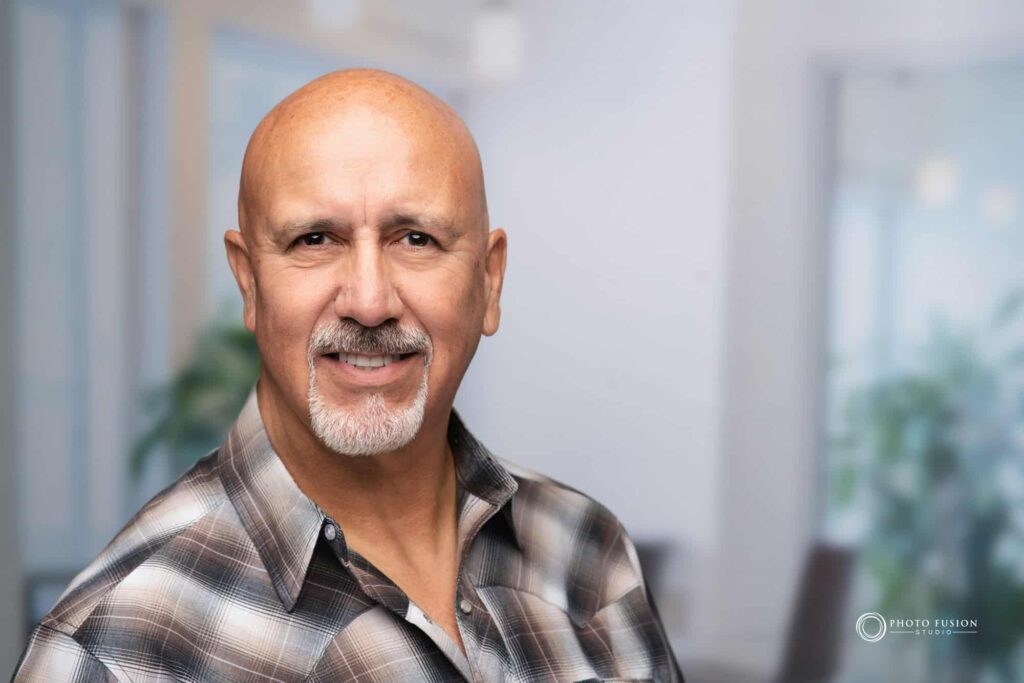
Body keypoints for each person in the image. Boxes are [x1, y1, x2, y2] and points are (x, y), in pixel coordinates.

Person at [15, 70, 683, 682]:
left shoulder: (590, 552)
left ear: (489, 280)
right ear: (249, 282)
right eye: (315, 240)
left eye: (416, 238)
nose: (368, 301)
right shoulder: (111, 651)